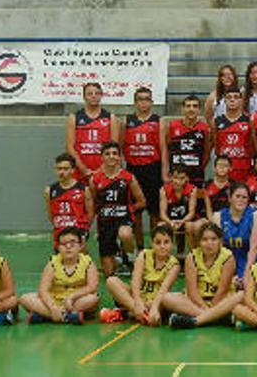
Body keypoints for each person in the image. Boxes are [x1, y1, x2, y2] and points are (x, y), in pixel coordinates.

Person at [163, 223, 242, 328]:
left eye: (214, 239)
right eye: (204, 240)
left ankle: (194, 320)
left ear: (220, 242)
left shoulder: (228, 257)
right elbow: (192, 292)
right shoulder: (191, 257)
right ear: (199, 242)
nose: (209, 243)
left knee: (241, 295)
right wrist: (206, 310)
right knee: (165, 297)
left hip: (220, 301)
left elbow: (222, 291)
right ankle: (217, 318)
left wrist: (213, 307)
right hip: (196, 302)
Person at [101, 225, 181, 326]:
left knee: (171, 299)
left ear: (172, 244)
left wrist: (155, 308)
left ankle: (125, 313)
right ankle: (139, 313)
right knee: (111, 281)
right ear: (152, 244)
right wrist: (138, 303)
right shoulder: (144, 255)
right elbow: (135, 281)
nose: (162, 246)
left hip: (155, 302)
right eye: (158, 242)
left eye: (166, 242)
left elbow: (163, 290)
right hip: (136, 298)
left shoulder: (174, 265)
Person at [89, 142, 146, 276]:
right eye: (107, 154)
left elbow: (142, 202)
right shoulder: (95, 179)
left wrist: (128, 209)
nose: (111, 157)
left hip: (123, 219)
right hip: (105, 223)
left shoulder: (128, 177)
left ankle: (132, 258)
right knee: (109, 273)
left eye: (115, 154)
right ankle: (119, 258)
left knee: (125, 234)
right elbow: (93, 203)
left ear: (120, 157)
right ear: (102, 157)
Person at [20, 227, 99, 324]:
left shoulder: (88, 262)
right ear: (58, 247)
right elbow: (43, 290)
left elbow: (92, 287)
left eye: (72, 243)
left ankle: (46, 316)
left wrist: (71, 297)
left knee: (93, 298)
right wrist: (52, 307)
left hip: (76, 300)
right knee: (25, 298)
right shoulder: (52, 262)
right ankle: (67, 316)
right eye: (64, 244)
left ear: (80, 246)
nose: (68, 246)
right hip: (54, 300)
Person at [121, 87, 166, 234]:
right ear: (135, 102)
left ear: (151, 102)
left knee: (155, 212)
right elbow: (120, 147)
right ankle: (139, 249)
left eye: (147, 99)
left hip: (153, 169)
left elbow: (163, 148)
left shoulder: (158, 121)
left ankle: (156, 247)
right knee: (136, 212)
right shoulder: (127, 121)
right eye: (140, 99)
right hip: (133, 170)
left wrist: (165, 172)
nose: (143, 103)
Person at [65, 82, 116, 181]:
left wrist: (102, 169)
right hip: (80, 171)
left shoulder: (111, 118)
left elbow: (115, 148)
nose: (93, 96)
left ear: (101, 96)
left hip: (105, 171)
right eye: (90, 94)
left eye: (97, 93)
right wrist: (84, 169)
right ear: (84, 97)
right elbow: (70, 147)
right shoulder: (74, 118)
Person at [214, 183, 257, 280]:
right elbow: (217, 249)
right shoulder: (218, 216)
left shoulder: (255, 216)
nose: (241, 200)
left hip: (248, 260)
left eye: (244, 197)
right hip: (226, 261)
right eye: (237, 196)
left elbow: (254, 248)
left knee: (246, 287)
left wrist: (247, 272)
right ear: (230, 198)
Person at [46, 153, 91, 252]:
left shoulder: (83, 189)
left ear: (73, 170)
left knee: (80, 254)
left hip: (78, 229)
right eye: (59, 169)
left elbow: (90, 213)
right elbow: (50, 215)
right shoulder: (50, 190)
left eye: (65, 169)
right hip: (60, 229)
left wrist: (84, 229)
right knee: (61, 260)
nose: (61, 172)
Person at [165, 95, 211, 189]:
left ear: (199, 109)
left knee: (196, 201)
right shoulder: (173, 126)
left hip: (196, 174)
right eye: (188, 106)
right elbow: (167, 149)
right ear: (183, 109)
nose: (191, 109)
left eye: (195, 106)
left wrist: (198, 167)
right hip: (176, 174)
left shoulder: (204, 128)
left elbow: (207, 153)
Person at [160, 167, 208, 251]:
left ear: (187, 178)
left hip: (187, 220)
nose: (178, 181)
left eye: (182, 178)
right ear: (171, 177)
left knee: (189, 226)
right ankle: (165, 258)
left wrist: (182, 221)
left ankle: (193, 253)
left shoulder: (192, 190)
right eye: (175, 178)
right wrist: (170, 222)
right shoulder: (164, 190)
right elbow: (162, 213)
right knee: (160, 226)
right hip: (171, 221)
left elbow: (191, 213)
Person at [213, 90, 255, 184]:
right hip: (224, 169)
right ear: (225, 101)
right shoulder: (217, 121)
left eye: (236, 97)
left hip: (244, 168)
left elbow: (253, 145)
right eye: (229, 97)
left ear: (241, 101)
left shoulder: (249, 120)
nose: (232, 100)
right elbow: (216, 147)